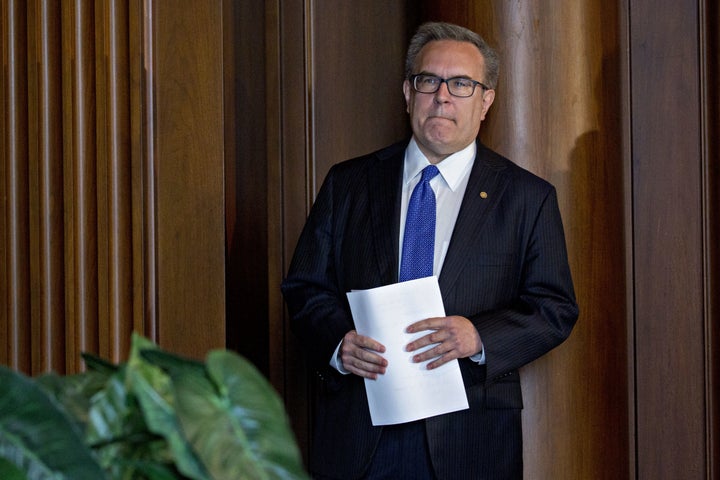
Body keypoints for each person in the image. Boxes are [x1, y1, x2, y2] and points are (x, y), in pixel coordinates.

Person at [281, 21, 578, 480]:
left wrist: (478, 337)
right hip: (360, 433)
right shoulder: (349, 183)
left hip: (469, 439)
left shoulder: (526, 197)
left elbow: (554, 308)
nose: (442, 96)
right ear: (407, 93)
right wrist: (339, 343)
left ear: (486, 101)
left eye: (461, 84)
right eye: (428, 81)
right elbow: (305, 288)